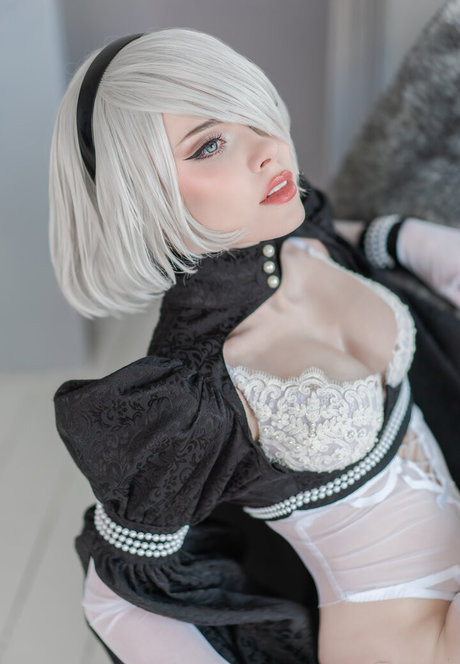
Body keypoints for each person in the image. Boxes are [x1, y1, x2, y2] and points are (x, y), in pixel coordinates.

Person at [49, 29, 460, 664]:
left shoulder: (304, 238)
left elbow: (360, 238)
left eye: (254, 114)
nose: (269, 149)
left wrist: (405, 238)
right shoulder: (188, 393)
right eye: (209, 144)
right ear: (140, 195)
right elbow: (116, 596)